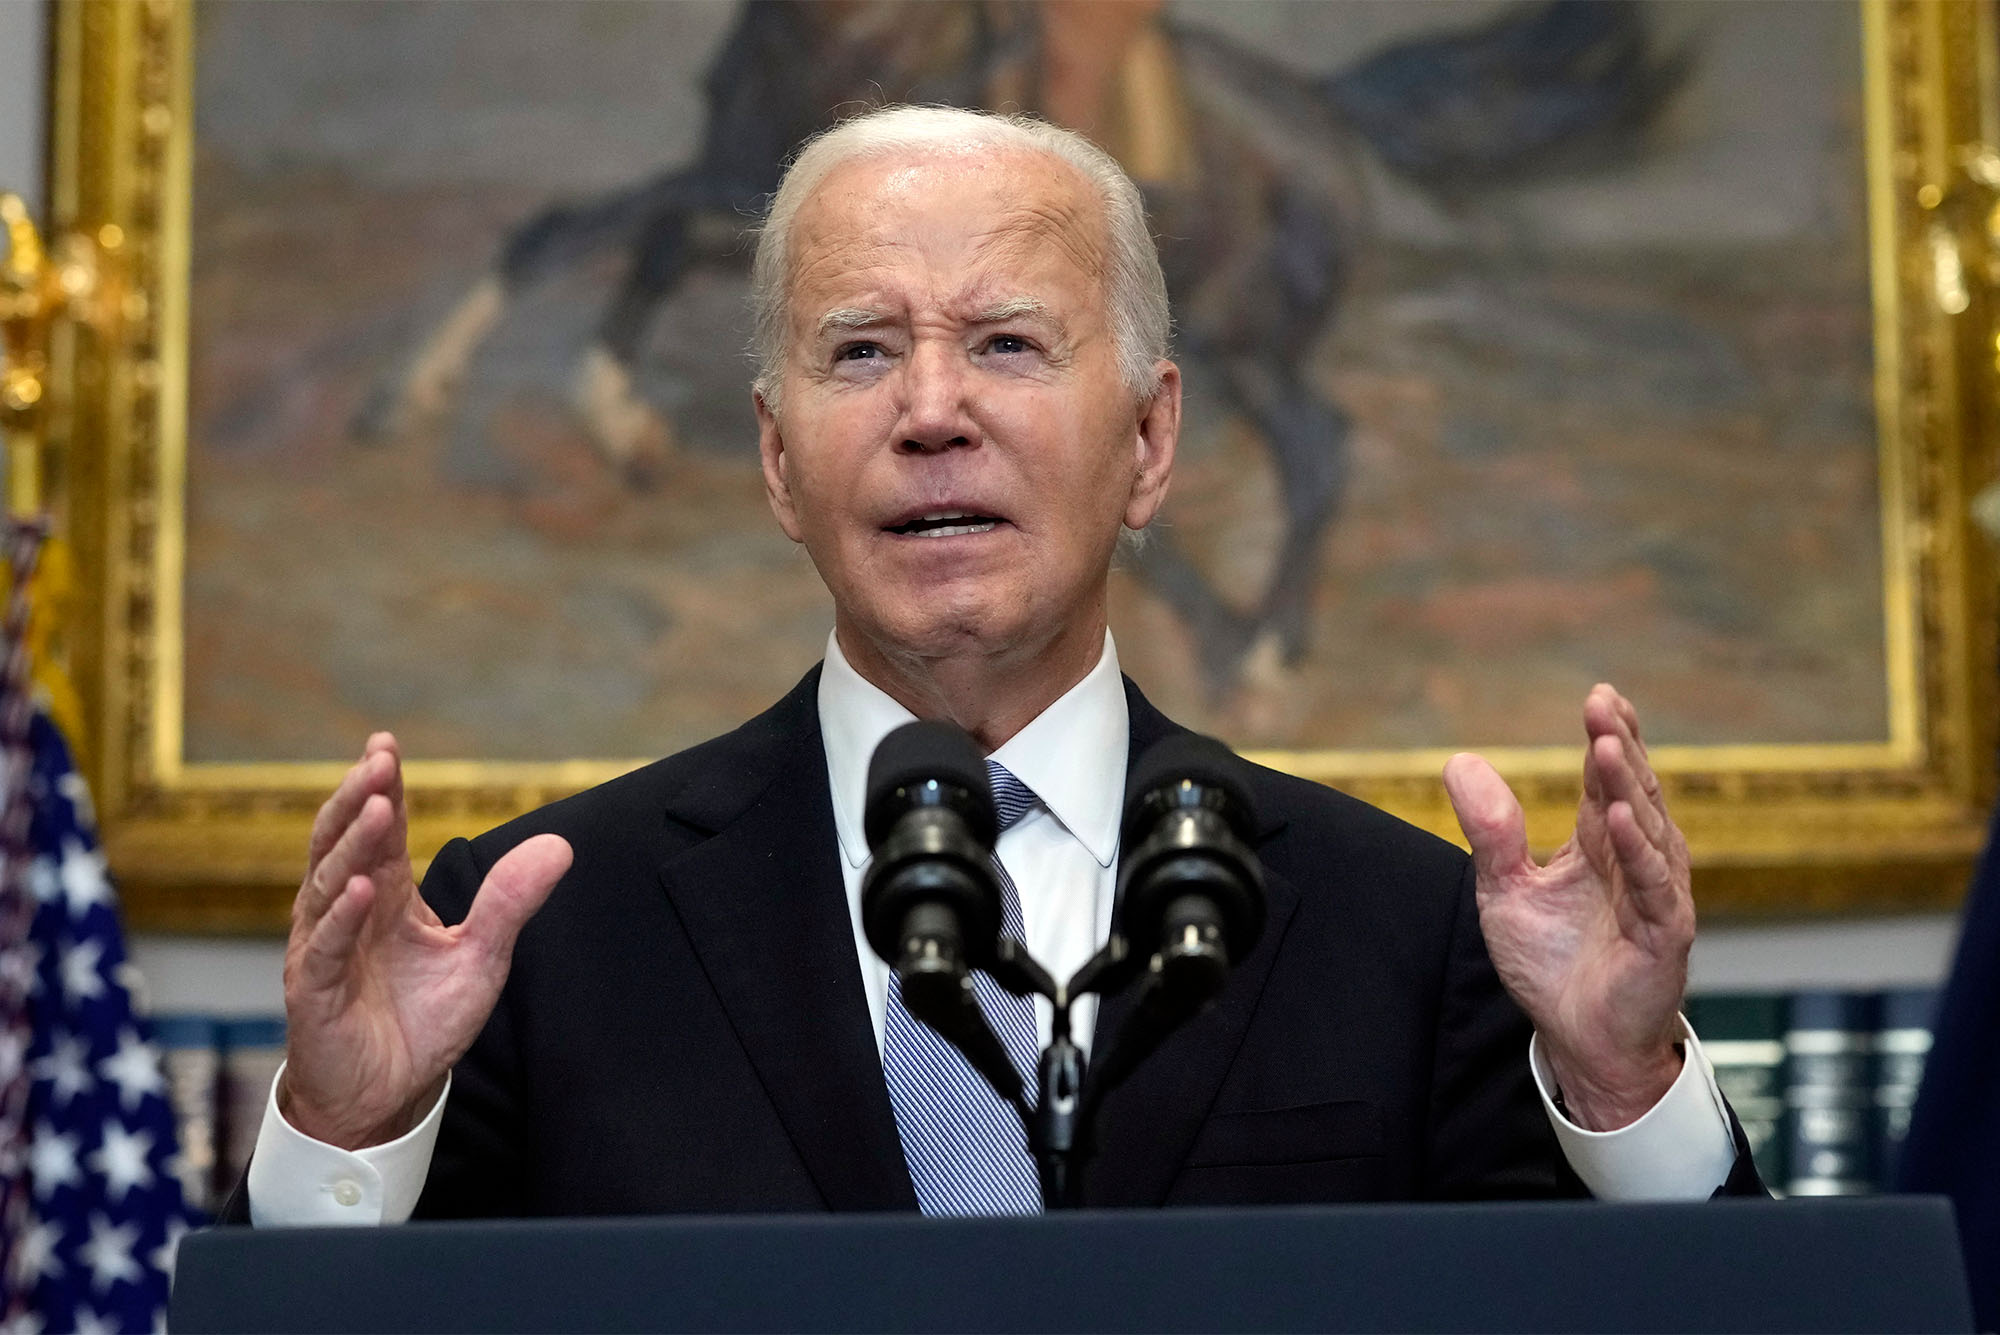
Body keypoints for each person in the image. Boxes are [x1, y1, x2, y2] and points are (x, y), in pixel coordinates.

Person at [239, 106, 1754, 1224]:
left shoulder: (1405, 933)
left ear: (1149, 442)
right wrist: (346, 1131)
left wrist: (1625, 1094)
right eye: (859, 352)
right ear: (777, 462)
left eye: (1011, 344)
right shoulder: (542, 937)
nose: (933, 411)